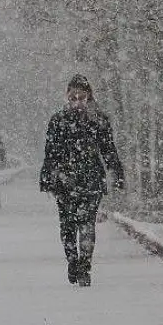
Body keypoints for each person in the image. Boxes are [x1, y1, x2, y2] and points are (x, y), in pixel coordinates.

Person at [39, 74, 125, 287]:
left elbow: (108, 150)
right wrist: (47, 176)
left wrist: (116, 171)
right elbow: (50, 152)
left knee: (86, 224)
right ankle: (72, 260)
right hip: (65, 181)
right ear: (67, 97)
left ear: (89, 97)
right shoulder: (58, 121)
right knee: (68, 225)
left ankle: (85, 265)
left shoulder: (99, 120)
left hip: (91, 179)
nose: (77, 101)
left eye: (81, 97)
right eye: (73, 97)